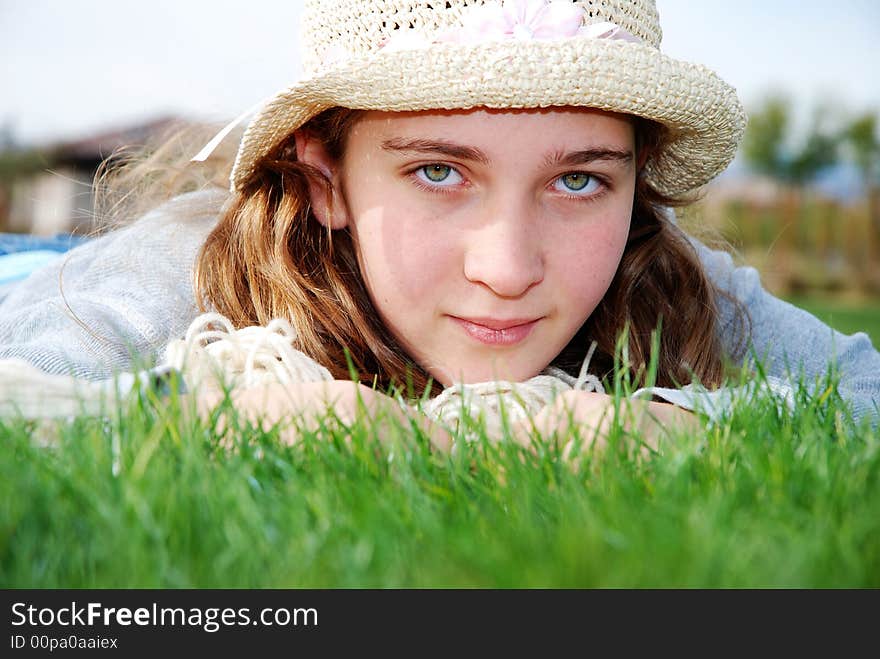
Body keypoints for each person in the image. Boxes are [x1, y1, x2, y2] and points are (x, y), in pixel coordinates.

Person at [1, 0, 877, 450]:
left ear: (634, 186)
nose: (507, 267)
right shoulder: (164, 278)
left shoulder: (654, 268)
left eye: (578, 180)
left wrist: (650, 423)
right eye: (439, 171)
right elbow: (27, 402)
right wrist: (246, 409)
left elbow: (863, 393)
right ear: (324, 178)